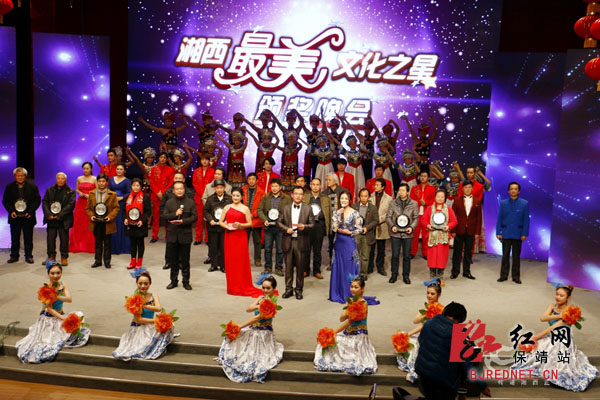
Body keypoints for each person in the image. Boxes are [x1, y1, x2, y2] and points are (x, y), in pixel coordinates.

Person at [510, 284, 598, 391]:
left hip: (562, 339)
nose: (558, 297)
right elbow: (543, 318)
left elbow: (550, 329)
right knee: (537, 353)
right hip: (550, 336)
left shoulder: (571, 311)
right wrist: (560, 315)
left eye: (561, 295)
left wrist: (534, 338)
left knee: (554, 354)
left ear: (568, 298)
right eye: (557, 294)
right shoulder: (553, 306)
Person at [415, 302, 491, 400]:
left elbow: (421, 341)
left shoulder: (429, 323)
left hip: (423, 374)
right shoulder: (456, 334)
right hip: (442, 381)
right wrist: (482, 386)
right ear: (459, 319)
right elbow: (466, 364)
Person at [16, 263, 90, 363]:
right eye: (52, 273)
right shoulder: (45, 289)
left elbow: (69, 299)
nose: (55, 276)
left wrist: (56, 296)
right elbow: (49, 309)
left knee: (79, 315)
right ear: (48, 274)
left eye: (58, 273)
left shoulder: (63, 284)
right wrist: (63, 318)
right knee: (49, 341)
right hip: (49, 318)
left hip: (60, 314)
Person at [216, 276, 284, 383]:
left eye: (268, 288)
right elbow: (248, 309)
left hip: (263, 332)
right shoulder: (261, 298)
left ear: (274, 288)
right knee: (232, 338)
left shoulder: (273, 304)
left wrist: (240, 326)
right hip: (254, 328)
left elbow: (256, 318)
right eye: (263, 288)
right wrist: (258, 306)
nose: (265, 290)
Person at [315, 277, 378, 375]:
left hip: (358, 336)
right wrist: (348, 306)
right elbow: (341, 319)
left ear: (362, 289)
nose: (353, 289)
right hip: (348, 333)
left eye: (356, 287)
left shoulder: (363, 304)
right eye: (351, 287)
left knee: (332, 340)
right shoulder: (350, 301)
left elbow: (350, 321)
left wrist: (333, 332)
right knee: (325, 342)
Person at [330, 192, 379, 305]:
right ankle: (337, 292)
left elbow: (359, 229)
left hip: (349, 243)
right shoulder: (336, 212)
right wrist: (338, 216)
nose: (343, 200)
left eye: (346, 198)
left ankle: (350, 293)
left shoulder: (355, 213)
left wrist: (350, 232)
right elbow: (333, 228)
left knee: (349, 267)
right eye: (342, 198)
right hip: (338, 243)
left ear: (350, 200)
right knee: (338, 266)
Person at [113, 271, 175, 360]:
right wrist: (157, 321)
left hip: (150, 325)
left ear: (150, 284)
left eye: (146, 284)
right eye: (140, 283)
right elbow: (139, 319)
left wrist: (144, 305)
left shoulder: (154, 295)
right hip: (139, 328)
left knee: (170, 325)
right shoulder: (134, 299)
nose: (143, 286)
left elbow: (158, 308)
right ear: (136, 284)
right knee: (140, 349)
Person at [396, 278, 443, 383]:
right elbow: (415, 321)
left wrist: (409, 334)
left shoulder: (441, 309)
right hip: (423, 336)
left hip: (432, 340)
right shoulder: (426, 307)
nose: (429, 296)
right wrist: (426, 312)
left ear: (439, 295)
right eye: (428, 293)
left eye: (432, 294)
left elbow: (425, 326)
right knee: (401, 336)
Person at [219, 187, 263, 297]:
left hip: (240, 236)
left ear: (241, 197)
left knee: (240, 261)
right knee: (230, 261)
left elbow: (250, 224)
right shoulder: (227, 207)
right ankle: (232, 287)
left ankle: (241, 285)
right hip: (229, 236)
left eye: (237, 196)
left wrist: (240, 225)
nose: (235, 197)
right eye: (233, 195)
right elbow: (220, 221)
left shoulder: (245, 208)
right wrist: (227, 227)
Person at [278, 186, 315, 300]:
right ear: (292, 195)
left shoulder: (308, 208)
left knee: (300, 268)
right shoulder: (285, 208)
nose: (298, 196)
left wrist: (305, 226)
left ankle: (299, 290)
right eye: (296, 194)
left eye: (300, 194)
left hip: (301, 241)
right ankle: (288, 289)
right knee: (288, 268)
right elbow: (279, 222)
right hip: (288, 240)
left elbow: (313, 224)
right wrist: (286, 229)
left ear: (303, 196)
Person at [163, 181, 197, 290]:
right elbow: (164, 216)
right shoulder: (169, 202)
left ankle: (186, 281)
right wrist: (175, 214)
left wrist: (183, 221)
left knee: (185, 261)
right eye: (177, 189)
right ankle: (173, 281)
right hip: (172, 235)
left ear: (184, 189)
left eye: (181, 188)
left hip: (185, 235)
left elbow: (194, 217)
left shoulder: (190, 202)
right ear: (173, 191)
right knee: (173, 261)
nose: (179, 191)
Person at [3, 167, 41, 264]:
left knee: (28, 238)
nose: (20, 177)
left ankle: (29, 256)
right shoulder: (9, 187)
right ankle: (14, 256)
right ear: (15, 176)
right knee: (14, 238)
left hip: (28, 217)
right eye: (18, 176)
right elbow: (5, 201)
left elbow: (37, 201)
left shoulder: (33, 187)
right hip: (14, 217)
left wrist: (30, 212)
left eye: (22, 175)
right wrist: (11, 211)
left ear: (25, 176)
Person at [159, 172, 195, 269]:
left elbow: (193, 211)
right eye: (176, 178)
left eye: (180, 178)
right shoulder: (168, 192)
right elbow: (162, 207)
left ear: (184, 180)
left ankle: (180, 262)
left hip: (184, 223)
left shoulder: (189, 193)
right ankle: (168, 261)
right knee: (170, 243)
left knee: (183, 245)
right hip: (171, 223)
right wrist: (168, 217)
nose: (178, 180)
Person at [496, 182, 529, 284]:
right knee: (505, 255)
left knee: (516, 256)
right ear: (508, 191)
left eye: (515, 189)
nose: (513, 190)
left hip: (518, 233)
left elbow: (526, 220)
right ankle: (503, 275)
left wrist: (524, 233)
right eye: (511, 189)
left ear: (518, 191)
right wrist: (498, 231)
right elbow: (499, 218)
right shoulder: (503, 203)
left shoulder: (524, 203)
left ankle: (516, 276)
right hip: (506, 233)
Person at [386, 183, 419, 284]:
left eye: (403, 190)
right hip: (395, 233)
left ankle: (406, 275)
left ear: (408, 192)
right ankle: (394, 274)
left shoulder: (414, 203)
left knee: (406, 256)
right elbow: (388, 217)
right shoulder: (393, 203)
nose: (401, 192)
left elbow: (416, 218)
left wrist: (411, 227)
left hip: (408, 233)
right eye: (400, 190)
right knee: (395, 255)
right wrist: (392, 226)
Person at [257, 178, 290, 276]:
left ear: (280, 187)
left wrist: (284, 222)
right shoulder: (266, 197)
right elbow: (259, 210)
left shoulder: (286, 198)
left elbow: (289, 211)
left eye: (276, 186)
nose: (274, 188)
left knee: (280, 249)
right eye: (272, 186)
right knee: (267, 248)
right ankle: (268, 267)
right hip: (268, 227)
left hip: (280, 227)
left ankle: (279, 267)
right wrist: (264, 220)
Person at [42, 172, 76, 266]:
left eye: (62, 178)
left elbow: (71, 205)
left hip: (63, 220)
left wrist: (60, 215)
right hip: (51, 219)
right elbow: (45, 202)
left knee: (64, 239)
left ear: (65, 180)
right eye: (58, 178)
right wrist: (48, 214)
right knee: (50, 239)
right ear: (56, 179)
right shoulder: (50, 190)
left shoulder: (70, 191)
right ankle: (51, 257)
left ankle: (64, 257)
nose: (60, 180)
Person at [86, 174, 119, 268]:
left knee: (107, 243)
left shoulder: (112, 194)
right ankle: (98, 261)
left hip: (107, 222)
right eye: (99, 181)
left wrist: (110, 217)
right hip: (96, 222)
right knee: (97, 243)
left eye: (103, 181)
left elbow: (116, 208)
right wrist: (91, 216)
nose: (101, 183)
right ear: (97, 182)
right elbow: (88, 208)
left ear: (106, 182)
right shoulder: (92, 193)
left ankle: (107, 261)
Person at [422, 190, 457, 279]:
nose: (440, 198)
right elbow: (423, 220)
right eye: (438, 196)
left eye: (442, 197)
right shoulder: (429, 208)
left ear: (445, 198)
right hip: (432, 237)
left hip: (443, 237)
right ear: (435, 197)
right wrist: (428, 225)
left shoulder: (448, 209)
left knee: (442, 257)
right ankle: (432, 277)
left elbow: (454, 221)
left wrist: (448, 226)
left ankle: (440, 277)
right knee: (432, 257)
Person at [451, 181, 482, 280]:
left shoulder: (477, 201)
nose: (467, 189)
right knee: (457, 252)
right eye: (465, 187)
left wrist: (477, 232)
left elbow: (479, 218)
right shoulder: (456, 200)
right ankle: (455, 272)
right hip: (459, 230)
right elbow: (452, 216)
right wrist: (453, 230)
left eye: (469, 187)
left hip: (471, 231)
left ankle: (466, 272)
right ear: (462, 189)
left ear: (472, 189)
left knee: (468, 252)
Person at [302, 178, 332, 279]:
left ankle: (316, 271)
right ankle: (305, 270)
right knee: (306, 249)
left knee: (317, 250)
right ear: (310, 186)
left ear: (320, 186)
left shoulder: (325, 198)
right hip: (307, 226)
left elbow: (329, 214)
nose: (315, 187)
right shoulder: (305, 196)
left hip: (319, 226)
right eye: (313, 184)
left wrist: (320, 216)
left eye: (317, 185)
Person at [204, 180, 232, 273]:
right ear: (214, 188)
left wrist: (228, 220)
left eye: (221, 187)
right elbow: (206, 211)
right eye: (217, 188)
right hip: (213, 227)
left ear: (224, 188)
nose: (219, 190)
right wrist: (210, 220)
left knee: (224, 247)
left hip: (224, 227)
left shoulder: (229, 199)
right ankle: (214, 265)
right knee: (213, 247)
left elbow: (232, 211)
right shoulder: (210, 199)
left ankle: (223, 265)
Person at [323, 173, 349, 270]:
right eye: (327, 180)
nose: (327, 181)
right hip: (330, 222)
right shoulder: (324, 193)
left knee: (342, 243)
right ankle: (332, 263)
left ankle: (342, 263)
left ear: (335, 181)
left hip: (341, 221)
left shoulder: (343, 191)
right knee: (331, 244)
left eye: (329, 180)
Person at [123, 178, 152, 269]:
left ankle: (139, 262)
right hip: (130, 224)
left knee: (140, 243)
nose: (135, 187)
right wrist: (125, 218)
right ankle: (132, 261)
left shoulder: (145, 197)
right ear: (131, 186)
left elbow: (148, 211)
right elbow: (123, 210)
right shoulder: (127, 197)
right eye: (134, 185)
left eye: (137, 185)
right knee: (132, 243)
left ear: (141, 187)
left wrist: (142, 221)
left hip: (140, 224)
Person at [69, 162, 96, 254]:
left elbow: (98, 190)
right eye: (84, 168)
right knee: (79, 222)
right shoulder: (79, 178)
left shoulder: (94, 179)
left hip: (90, 202)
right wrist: (79, 193)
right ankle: (79, 244)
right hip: (81, 202)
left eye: (87, 168)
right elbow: (77, 189)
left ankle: (88, 245)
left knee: (89, 222)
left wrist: (90, 195)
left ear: (91, 169)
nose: (85, 170)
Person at [351, 188, 378, 280]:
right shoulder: (354, 206)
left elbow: (376, 221)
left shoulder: (373, 208)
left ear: (369, 197)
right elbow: (350, 219)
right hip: (356, 234)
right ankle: (354, 272)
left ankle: (363, 274)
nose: (363, 198)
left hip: (367, 235)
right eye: (361, 196)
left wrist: (367, 228)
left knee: (365, 256)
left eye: (365, 196)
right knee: (355, 255)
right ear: (359, 197)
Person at [368, 178, 392, 276]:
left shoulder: (389, 198)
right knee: (370, 248)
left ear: (383, 187)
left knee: (381, 249)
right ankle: (369, 267)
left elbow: (389, 213)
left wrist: (378, 219)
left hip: (382, 226)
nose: (375, 186)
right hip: (371, 226)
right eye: (375, 184)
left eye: (378, 185)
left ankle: (380, 267)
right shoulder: (370, 196)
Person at [410, 171, 436, 259]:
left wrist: (426, 203)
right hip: (416, 214)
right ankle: (412, 252)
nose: (423, 178)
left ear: (428, 178)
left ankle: (425, 253)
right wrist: (419, 202)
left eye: (425, 176)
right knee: (414, 234)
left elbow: (434, 201)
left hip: (426, 215)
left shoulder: (432, 188)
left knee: (426, 235)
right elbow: (411, 201)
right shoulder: (415, 188)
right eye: (421, 176)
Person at [149, 152, 175, 242]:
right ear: (158, 158)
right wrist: (157, 193)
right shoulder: (153, 169)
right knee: (156, 217)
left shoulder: (171, 170)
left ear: (167, 159)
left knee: (167, 217)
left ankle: (168, 236)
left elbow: (171, 183)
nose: (163, 159)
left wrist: (163, 193)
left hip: (166, 197)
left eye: (164, 157)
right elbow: (152, 182)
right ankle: (154, 236)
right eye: (161, 157)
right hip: (156, 196)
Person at [242, 173, 265, 267]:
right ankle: (243, 259)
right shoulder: (242, 190)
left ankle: (257, 259)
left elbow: (262, 206)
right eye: (249, 179)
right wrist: (246, 214)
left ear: (256, 180)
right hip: (244, 220)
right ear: (247, 180)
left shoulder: (261, 192)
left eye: (253, 179)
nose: (251, 181)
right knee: (244, 241)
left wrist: (253, 214)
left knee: (257, 241)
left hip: (256, 220)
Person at [108, 163, 132, 255]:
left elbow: (129, 192)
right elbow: (108, 191)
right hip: (112, 203)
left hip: (122, 204)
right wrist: (112, 198)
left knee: (121, 224)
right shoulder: (111, 179)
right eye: (117, 169)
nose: (119, 171)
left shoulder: (127, 181)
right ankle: (113, 247)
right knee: (112, 223)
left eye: (121, 169)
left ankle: (122, 247)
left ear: (124, 171)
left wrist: (122, 198)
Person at [192, 153, 214, 245]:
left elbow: (212, 185)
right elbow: (194, 183)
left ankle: (208, 238)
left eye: (206, 159)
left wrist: (205, 195)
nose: (204, 161)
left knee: (208, 219)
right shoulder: (196, 171)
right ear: (200, 161)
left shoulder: (212, 171)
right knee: (199, 220)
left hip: (209, 198)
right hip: (199, 198)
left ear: (209, 161)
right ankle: (198, 238)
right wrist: (202, 194)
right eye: (203, 159)